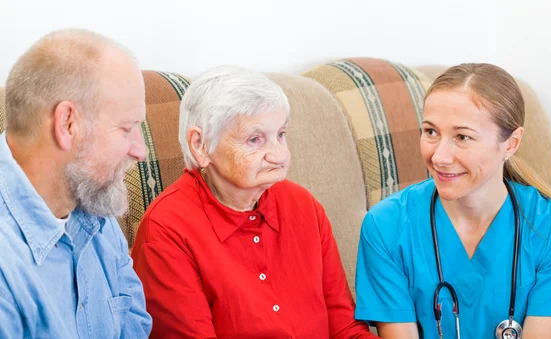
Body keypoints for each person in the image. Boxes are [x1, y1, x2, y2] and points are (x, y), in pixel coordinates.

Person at [131, 66, 376, 339]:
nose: (279, 155)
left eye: (281, 134)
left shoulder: (303, 205)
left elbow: (344, 327)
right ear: (200, 145)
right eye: (254, 139)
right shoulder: (167, 230)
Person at [354, 63, 551, 339]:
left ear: (511, 143)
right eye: (431, 132)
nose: (439, 157)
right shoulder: (386, 226)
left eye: (462, 137)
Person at [0, 29, 152, 338]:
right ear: (68, 124)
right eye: (126, 128)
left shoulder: (94, 204)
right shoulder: (7, 267)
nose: (141, 150)